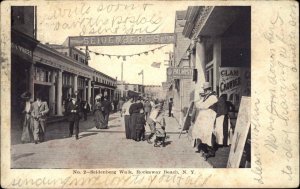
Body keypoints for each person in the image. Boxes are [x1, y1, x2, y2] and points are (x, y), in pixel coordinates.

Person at [191, 82, 218, 160]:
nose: (205, 91)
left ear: (209, 89)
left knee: (208, 133)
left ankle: (210, 151)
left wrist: (198, 104)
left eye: (205, 90)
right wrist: (198, 102)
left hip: (210, 117)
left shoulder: (213, 97)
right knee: (202, 132)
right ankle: (204, 149)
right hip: (205, 118)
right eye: (204, 90)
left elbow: (203, 105)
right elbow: (199, 103)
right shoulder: (206, 96)